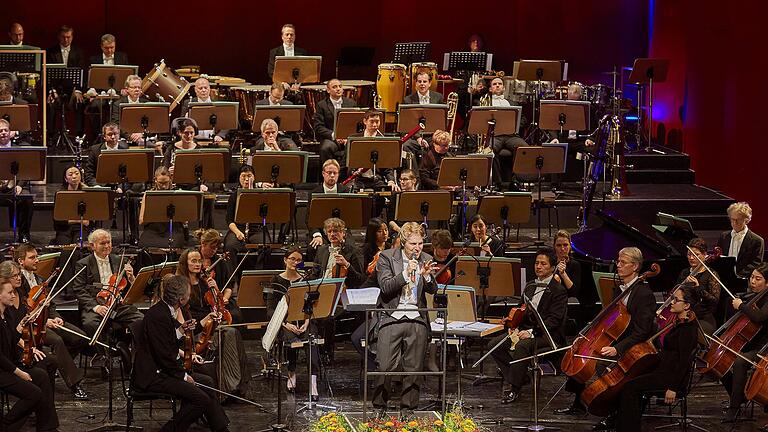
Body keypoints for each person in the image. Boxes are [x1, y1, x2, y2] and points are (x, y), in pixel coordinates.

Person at [556, 247, 656, 429]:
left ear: (635, 266)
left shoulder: (644, 294)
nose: (618, 265)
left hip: (635, 349)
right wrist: (585, 337)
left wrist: (617, 348)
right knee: (580, 357)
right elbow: (608, 321)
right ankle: (580, 403)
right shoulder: (619, 289)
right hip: (618, 341)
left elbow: (642, 331)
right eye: (618, 261)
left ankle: (615, 411)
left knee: (600, 363)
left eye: (623, 262)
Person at [132, 274, 229, 432]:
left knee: (207, 382)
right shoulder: (158, 315)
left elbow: (165, 341)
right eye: (188, 294)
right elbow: (163, 355)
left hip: (163, 369)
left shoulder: (165, 310)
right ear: (181, 299)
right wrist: (184, 376)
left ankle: (221, 429)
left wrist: (180, 330)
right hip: (153, 375)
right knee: (200, 399)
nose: (190, 296)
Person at [372, 222, 439, 419]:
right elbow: (385, 287)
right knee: (384, 366)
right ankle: (379, 407)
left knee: (414, 368)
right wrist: (405, 274)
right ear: (403, 243)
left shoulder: (426, 258)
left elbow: (433, 290)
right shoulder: (386, 257)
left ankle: (408, 410)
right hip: (391, 316)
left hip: (416, 317)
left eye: (420, 243)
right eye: (412, 244)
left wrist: (426, 277)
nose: (417, 248)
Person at [616, 285, 702, 432]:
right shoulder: (678, 323)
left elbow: (684, 361)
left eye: (676, 300)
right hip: (663, 370)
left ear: (687, 305)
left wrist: (673, 388)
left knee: (628, 388)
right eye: (672, 298)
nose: (671, 302)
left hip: (670, 377)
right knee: (630, 381)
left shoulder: (688, 329)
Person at [490, 247, 568, 403]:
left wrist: (531, 332)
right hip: (526, 330)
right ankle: (521, 377)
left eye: (543, 264)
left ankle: (514, 388)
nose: (538, 266)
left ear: (552, 268)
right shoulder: (531, 285)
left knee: (523, 346)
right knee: (495, 345)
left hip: (548, 335)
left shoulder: (558, 291)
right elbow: (521, 309)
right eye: (537, 263)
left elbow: (554, 321)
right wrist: (512, 323)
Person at [12, 244, 89, 399]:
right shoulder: (17, 282)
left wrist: (55, 317)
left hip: (48, 319)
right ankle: (74, 384)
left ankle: (58, 366)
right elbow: (21, 309)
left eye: (36, 256)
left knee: (80, 337)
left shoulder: (40, 279)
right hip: (31, 326)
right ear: (21, 261)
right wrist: (44, 321)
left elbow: (50, 303)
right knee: (57, 341)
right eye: (32, 257)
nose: (37, 260)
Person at [176, 248, 250, 396]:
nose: (197, 264)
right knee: (230, 333)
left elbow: (218, 304)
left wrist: (216, 289)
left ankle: (235, 386)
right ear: (185, 263)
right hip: (195, 329)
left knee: (232, 333)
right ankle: (228, 388)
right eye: (193, 261)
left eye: (199, 260)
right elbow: (182, 317)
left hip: (210, 325)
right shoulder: (181, 285)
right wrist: (205, 320)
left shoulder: (204, 282)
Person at [0, 277, 59, 432]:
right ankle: (6, 425)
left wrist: (20, 328)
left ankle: (47, 427)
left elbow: (11, 341)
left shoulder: (7, 316)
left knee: (41, 376)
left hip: (10, 365)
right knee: (34, 394)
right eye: (10, 292)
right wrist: (19, 372)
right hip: (3, 370)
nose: (14, 295)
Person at [266, 247, 320, 399]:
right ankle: (291, 372)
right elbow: (270, 310)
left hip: (304, 321)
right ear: (285, 260)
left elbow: (312, 305)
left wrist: (307, 322)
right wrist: (285, 323)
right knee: (292, 338)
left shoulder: (305, 280)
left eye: (298, 260)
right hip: (285, 323)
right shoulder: (275, 280)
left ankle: (313, 381)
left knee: (312, 339)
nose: (296, 262)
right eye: (292, 259)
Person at [73, 229, 144, 341]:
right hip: (96, 304)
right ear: (92, 246)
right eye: (102, 243)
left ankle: (133, 354)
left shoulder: (120, 260)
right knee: (91, 324)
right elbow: (79, 289)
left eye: (109, 242)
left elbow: (130, 289)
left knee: (141, 320)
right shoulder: (83, 264)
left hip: (117, 304)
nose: (107, 246)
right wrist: (96, 307)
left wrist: (131, 278)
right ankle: (102, 356)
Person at [720, 263, 768, 423]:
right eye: (752, 277)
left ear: (767, 283)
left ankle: (734, 408)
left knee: (740, 361)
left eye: (758, 278)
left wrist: (741, 306)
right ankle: (738, 397)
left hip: (764, 347)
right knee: (721, 360)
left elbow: (759, 317)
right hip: (750, 343)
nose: (752, 281)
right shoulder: (754, 296)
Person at [195, 228, 241, 324]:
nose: (214, 250)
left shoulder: (220, 261)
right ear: (203, 244)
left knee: (236, 315)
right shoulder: (194, 259)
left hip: (218, 300)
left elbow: (228, 287)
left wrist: (224, 298)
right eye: (212, 247)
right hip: (200, 301)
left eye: (216, 247)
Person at [675, 238, 720, 334]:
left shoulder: (711, 275)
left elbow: (714, 301)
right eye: (689, 254)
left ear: (704, 255)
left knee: (686, 332)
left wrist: (698, 288)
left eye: (696, 254)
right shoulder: (684, 273)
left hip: (703, 318)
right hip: (683, 315)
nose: (691, 258)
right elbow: (675, 294)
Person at [347, 110, 398, 191]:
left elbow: (388, 165)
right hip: (358, 179)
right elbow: (346, 161)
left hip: (376, 179)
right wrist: (353, 171)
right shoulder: (354, 139)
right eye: (372, 122)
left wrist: (391, 181)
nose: (375, 125)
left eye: (377, 122)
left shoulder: (384, 140)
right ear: (365, 121)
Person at [0, 118, 34, 242]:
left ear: (10, 132)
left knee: (26, 199)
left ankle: (24, 235)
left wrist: (20, 185)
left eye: (5, 130)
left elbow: (26, 169)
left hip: (14, 186)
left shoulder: (19, 147)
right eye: (0, 131)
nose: (3, 133)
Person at [137, 166, 187, 248]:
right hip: (153, 229)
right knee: (143, 244)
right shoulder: (148, 195)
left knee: (173, 245)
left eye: (166, 182)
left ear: (170, 179)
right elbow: (141, 221)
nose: (163, 186)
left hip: (174, 229)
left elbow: (185, 221)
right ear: (155, 180)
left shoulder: (178, 193)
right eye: (160, 183)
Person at [307, 160, 350, 249]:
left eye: (335, 173)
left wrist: (341, 234)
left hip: (341, 231)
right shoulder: (314, 193)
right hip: (322, 231)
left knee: (350, 247)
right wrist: (317, 235)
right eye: (329, 173)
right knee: (314, 248)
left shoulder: (345, 191)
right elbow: (309, 217)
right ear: (323, 173)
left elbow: (349, 216)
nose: (332, 176)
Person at [313, 78, 356, 165]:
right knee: (326, 148)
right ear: (328, 90)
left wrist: (347, 138)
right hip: (331, 138)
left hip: (348, 138)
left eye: (340, 86)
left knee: (356, 147)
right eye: (334, 87)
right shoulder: (322, 105)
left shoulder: (351, 103)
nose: (338, 89)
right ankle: (327, 175)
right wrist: (334, 135)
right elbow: (318, 127)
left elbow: (355, 123)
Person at [717, 202, 764, 278]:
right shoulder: (724, 236)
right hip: (723, 277)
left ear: (746, 220)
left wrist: (737, 276)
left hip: (744, 279)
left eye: (738, 220)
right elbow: (718, 256)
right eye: (732, 219)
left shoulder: (757, 240)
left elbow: (756, 263)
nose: (734, 223)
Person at [179, 77, 226, 144]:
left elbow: (227, 121)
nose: (203, 90)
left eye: (205, 88)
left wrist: (220, 135)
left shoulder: (218, 103)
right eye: (200, 88)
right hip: (193, 140)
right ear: (195, 90)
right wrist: (185, 120)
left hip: (214, 140)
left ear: (209, 89)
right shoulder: (187, 103)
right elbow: (181, 123)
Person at [53, 165, 91, 245]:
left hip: (81, 229)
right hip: (64, 229)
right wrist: (78, 220)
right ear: (65, 179)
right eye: (70, 174)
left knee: (79, 246)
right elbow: (57, 220)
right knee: (65, 247)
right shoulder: (60, 194)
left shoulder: (86, 193)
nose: (74, 176)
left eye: (77, 173)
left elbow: (89, 221)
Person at [83, 122, 129, 186]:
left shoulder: (126, 149)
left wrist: (121, 187)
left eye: (115, 134)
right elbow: (89, 174)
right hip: (101, 186)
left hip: (120, 186)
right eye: (110, 134)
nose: (113, 137)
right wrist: (99, 186)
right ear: (104, 136)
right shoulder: (95, 150)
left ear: (119, 135)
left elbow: (129, 175)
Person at [110, 74, 149, 145]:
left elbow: (151, 124)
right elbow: (116, 124)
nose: (137, 90)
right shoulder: (118, 104)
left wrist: (142, 134)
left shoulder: (147, 103)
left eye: (139, 87)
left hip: (143, 137)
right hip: (125, 138)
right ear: (127, 89)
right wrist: (130, 135)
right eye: (134, 87)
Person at [553, 230, 584, 303]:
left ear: (570, 246)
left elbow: (574, 292)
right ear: (554, 246)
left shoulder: (575, 264)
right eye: (559, 245)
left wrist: (563, 274)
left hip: (567, 300)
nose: (562, 249)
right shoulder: (549, 262)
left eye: (565, 245)